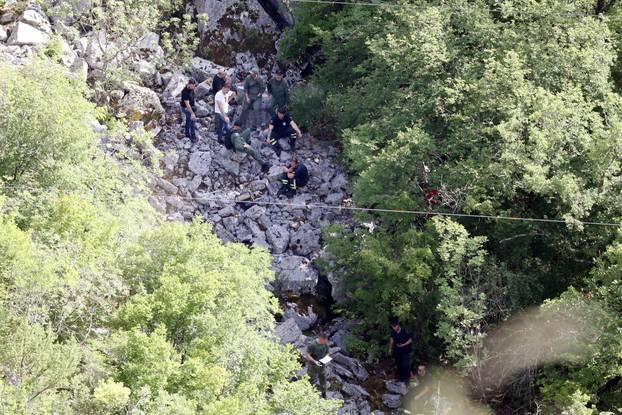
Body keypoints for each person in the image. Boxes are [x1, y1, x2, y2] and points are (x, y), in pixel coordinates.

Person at [304, 332, 330, 398]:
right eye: (324, 340)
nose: (325, 341)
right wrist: (314, 361)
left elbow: (327, 352)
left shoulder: (325, 344)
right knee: (310, 380)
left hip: (322, 365)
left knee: (323, 379)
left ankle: (324, 394)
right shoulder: (312, 345)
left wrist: (326, 359)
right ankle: (308, 394)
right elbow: (307, 355)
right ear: (320, 338)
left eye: (326, 340)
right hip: (313, 365)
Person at [388, 317, 412, 385]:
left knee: (405, 364)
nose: (394, 328)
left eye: (395, 327)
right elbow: (391, 340)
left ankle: (407, 380)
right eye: (393, 327)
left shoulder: (404, 331)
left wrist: (403, 344)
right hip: (397, 350)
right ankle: (401, 378)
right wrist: (390, 348)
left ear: (398, 325)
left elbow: (410, 340)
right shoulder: (393, 332)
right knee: (398, 364)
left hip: (405, 350)